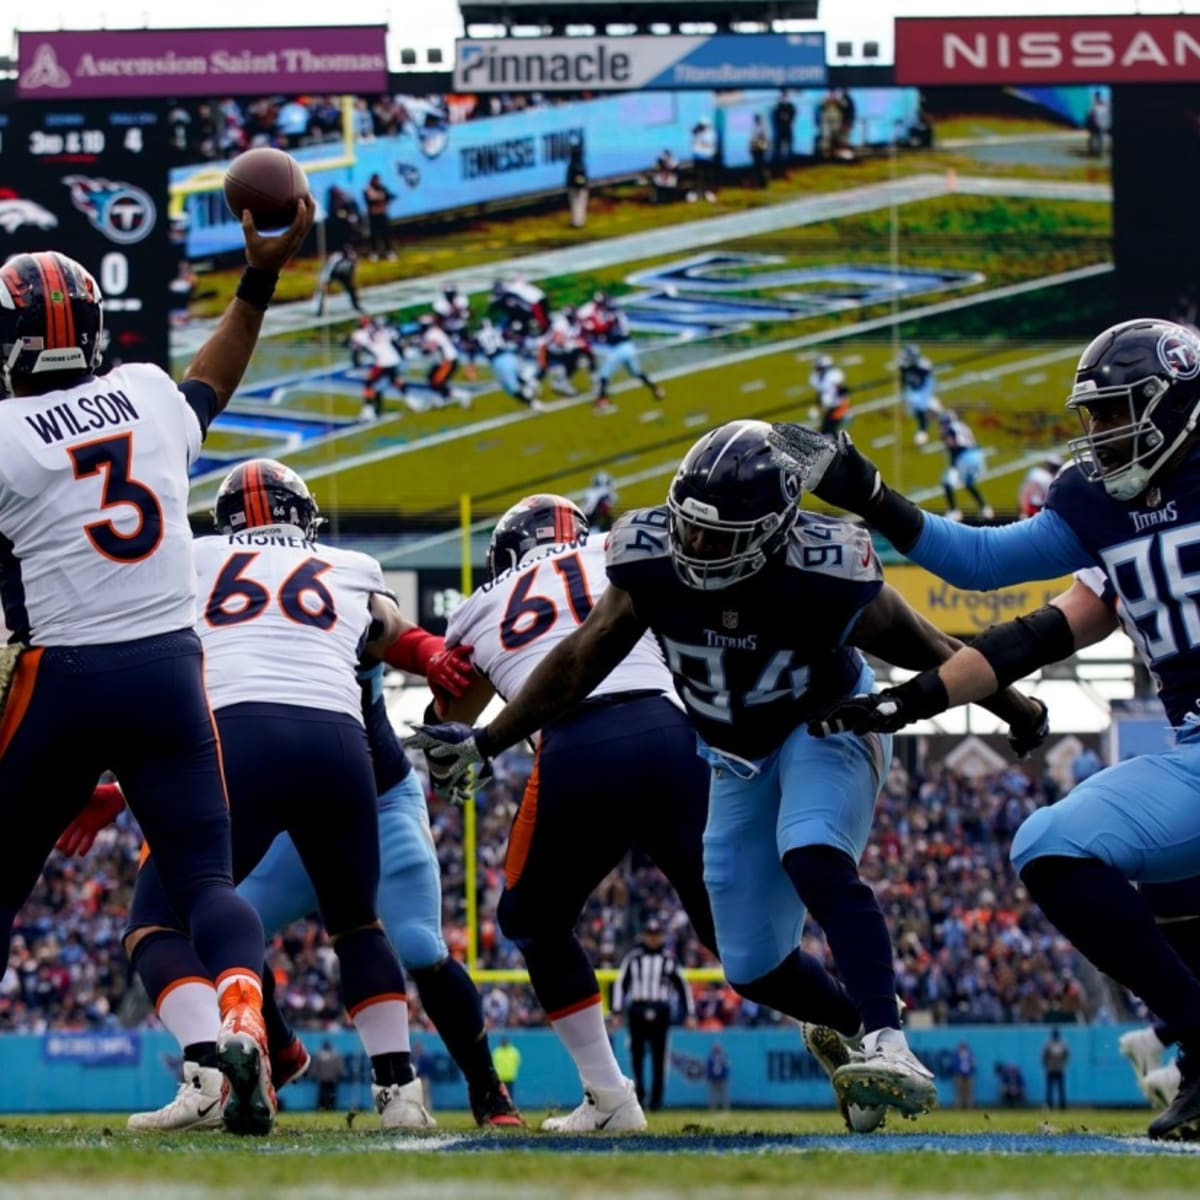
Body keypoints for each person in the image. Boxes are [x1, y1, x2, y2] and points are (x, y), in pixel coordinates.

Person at [407, 421, 1047, 1130]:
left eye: (719, 536)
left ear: (776, 530)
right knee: (745, 963)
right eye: (690, 527)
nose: (697, 547)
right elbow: (581, 659)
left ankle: (887, 1038)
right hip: (731, 752)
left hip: (827, 719)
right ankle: (851, 1029)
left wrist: (1017, 709)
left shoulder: (827, 569)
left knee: (811, 848)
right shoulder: (648, 556)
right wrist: (492, 740)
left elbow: (933, 646)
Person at [770, 317, 1200, 1141]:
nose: (1103, 434)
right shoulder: (1103, 508)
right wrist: (908, 697)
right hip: (1192, 753)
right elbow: (999, 586)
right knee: (1051, 844)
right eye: (1096, 415)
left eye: (1119, 413)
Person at [0, 200, 313, 1135]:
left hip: (59, 676)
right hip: (170, 672)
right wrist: (257, 280)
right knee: (206, 884)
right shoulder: (142, 391)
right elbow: (212, 382)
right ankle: (242, 1018)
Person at [118, 459, 436, 1133]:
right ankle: (399, 1091)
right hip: (341, 742)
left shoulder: (195, 556)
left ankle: (209, 1070)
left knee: (158, 920)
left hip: (238, 736)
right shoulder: (351, 565)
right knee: (357, 923)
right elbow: (388, 631)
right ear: (303, 518)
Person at [424, 493, 719, 1133]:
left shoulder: (478, 606)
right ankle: (854, 1030)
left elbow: (449, 725)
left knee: (532, 919)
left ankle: (610, 1097)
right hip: (674, 735)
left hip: (578, 752)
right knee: (731, 924)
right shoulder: (622, 549)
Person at [613, 919, 695, 1112]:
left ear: (662, 937)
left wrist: (690, 1013)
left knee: (660, 1057)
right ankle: (639, 1096)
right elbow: (621, 984)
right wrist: (616, 1011)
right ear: (644, 936)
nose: (653, 939)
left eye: (656, 935)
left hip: (661, 1010)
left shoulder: (669, 960)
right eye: (650, 935)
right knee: (637, 1055)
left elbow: (683, 987)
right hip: (638, 1009)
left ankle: (657, 1101)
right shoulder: (633, 958)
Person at [581, 293, 664, 413]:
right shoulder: (617, 313)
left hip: (618, 348)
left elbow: (603, 329)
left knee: (604, 375)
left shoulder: (609, 315)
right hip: (628, 346)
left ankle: (602, 400)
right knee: (636, 372)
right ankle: (656, 389)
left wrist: (594, 332)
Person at [938, 410, 994, 521]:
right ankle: (986, 508)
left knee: (947, 481)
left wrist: (953, 465)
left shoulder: (949, 430)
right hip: (978, 456)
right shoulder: (963, 426)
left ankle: (954, 511)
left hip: (964, 457)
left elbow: (953, 446)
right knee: (968, 483)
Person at [348, 316, 406, 421]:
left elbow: (354, 348)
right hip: (395, 359)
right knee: (393, 381)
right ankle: (412, 400)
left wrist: (356, 365)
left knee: (369, 384)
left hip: (383, 361)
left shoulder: (359, 334)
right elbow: (396, 336)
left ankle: (369, 411)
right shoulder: (382, 329)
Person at [898, 344, 939, 445]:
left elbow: (927, 380)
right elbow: (903, 377)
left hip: (924, 386)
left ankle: (923, 430)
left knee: (919, 406)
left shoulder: (924, 365)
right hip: (914, 388)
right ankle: (931, 406)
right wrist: (903, 389)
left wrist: (924, 395)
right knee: (915, 407)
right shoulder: (903, 364)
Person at [312, 243, 364, 318]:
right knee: (322, 292)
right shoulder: (336, 258)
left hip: (343, 274)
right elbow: (328, 270)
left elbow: (353, 268)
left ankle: (356, 306)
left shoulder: (352, 257)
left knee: (351, 289)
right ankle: (319, 310)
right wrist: (324, 283)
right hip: (332, 274)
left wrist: (351, 279)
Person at [809, 354, 850, 437]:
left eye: (819, 367)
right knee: (826, 431)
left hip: (839, 407)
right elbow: (820, 393)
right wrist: (818, 407)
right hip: (831, 407)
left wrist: (842, 391)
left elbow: (842, 390)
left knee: (828, 431)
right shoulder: (818, 378)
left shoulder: (833, 376)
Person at [364, 173, 396, 261]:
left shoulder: (383, 188)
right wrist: (380, 197)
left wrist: (385, 199)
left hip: (382, 213)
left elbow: (389, 196)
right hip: (373, 215)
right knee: (374, 235)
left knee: (386, 233)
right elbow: (369, 200)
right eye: (375, 180)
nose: (377, 182)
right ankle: (374, 253)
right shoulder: (367, 189)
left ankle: (389, 251)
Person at [688, 120, 717, 204]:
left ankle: (708, 194)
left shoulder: (710, 133)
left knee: (708, 177)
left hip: (707, 158)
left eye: (703, 126)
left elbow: (708, 143)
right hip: (698, 158)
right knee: (698, 177)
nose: (701, 127)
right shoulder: (696, 133)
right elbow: (693, 137)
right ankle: (698, 195)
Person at [313, 1040, 345, 1112]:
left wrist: (316, 1075)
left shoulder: (319, 1055)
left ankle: (321, 1108)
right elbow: (339, 1068)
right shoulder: (335, 1055)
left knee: (322, 1095)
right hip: (332, 1079)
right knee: (331, 1094)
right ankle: (331, 1108)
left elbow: (315, 1068)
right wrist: (341, 1075)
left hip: (323, 1079)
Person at [771, 90, 796, 177]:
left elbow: (792, 117)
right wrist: (784, 117)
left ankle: (789, 170)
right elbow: (776, 118)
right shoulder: (777, 107)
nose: (783, 99)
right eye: (782, 97)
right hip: (779, 131)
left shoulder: (791, 106)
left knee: (789, 151)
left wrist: (785, 117)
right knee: (777, 152)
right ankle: (777, 171)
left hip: (788, 131)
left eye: (784, 97)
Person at [566, 136, 589, 229]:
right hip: (579, 184)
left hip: (575, 184)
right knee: (579, 202)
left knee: (576, 202)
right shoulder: (579, 162)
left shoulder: (574, 163)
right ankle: (578, 221)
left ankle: (577, 221)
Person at [1042, 1028, 1069, 1110]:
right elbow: (1044, 1057)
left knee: (1059, 1089)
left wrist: (1062, 1064)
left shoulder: (1060, 1045)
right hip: (1053, 1069)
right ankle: (1051, 1105)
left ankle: (1061, 1106)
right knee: (1051, 1089)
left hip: (1057, 1069)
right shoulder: (1052, 1045)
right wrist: (1047, 1065)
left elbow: (1066, 1056)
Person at [492, 1036, 521, 1102]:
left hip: (509, 1077)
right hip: (500, 1077)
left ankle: (509, 1108)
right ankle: (501, 1109)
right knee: (500, 1095)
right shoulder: (497, 1051)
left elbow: (518, 1062)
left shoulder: (513, 1051)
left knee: (509, 1094)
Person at [706, 1042, 731, 1111]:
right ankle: (713, 1108)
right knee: (713, 1095)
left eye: (718, 1048)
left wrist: (725, 1076)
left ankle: (725, 1108)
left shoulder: (724, 1056)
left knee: (724, 1094)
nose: (716, 1050)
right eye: (715, 1048)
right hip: (713, 1078)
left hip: (722, 1078)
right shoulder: (710, 1057)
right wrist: (709, 1077)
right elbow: (708, 1068)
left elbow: (727, 1067)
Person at [1085, 90, 1110, 157]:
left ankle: (1097, 152)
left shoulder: (1099, 104)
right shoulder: (1095, 105)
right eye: (1096, 96)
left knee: (1097, 138)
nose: (1096, 97)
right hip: (1095, 124)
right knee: (1094, 138)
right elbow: (1090, 115)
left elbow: (1104, 114)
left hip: (1098, 124)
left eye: (1096, 96)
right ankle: (1094, 152)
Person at [952, 1041, 976, 1110]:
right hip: (959, 1075)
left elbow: (973, 1064)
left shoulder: (970, 1055)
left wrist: (971, 1071)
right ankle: (958, 1107)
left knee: (969, 1092)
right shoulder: (956, 1055)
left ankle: (970, 1107)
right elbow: (954, 1064)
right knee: (958, 1092)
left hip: (968, 1075)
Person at [749, 115, 770, 189]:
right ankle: (758, 183)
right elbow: (752, 140)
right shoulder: (754, 128)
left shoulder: (762, 128)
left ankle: (763, 184)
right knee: (757, 168)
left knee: (761, 167)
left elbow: (763, 140)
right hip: (756, 149)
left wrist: (762, 147)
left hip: (760, 149)